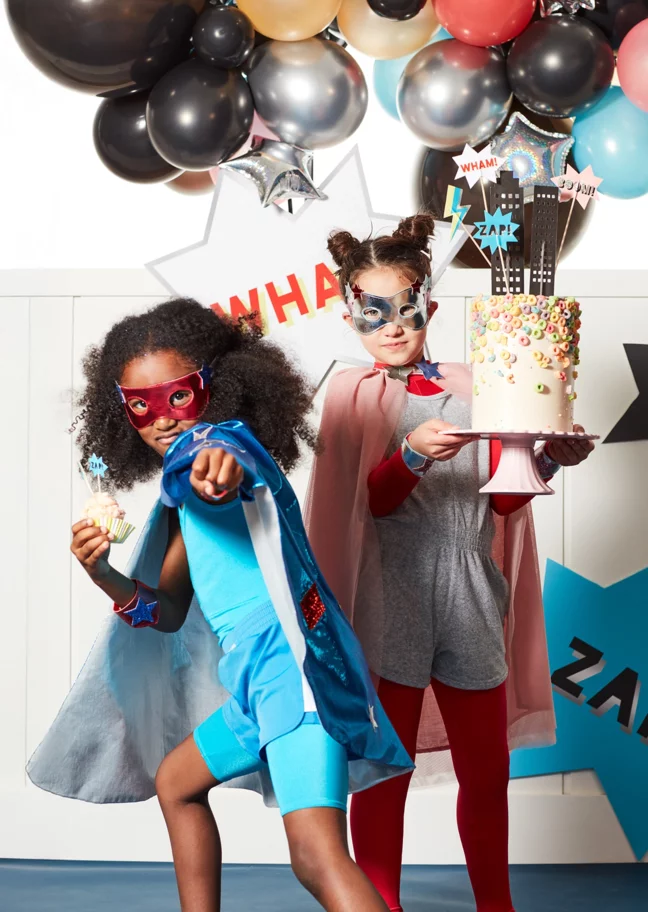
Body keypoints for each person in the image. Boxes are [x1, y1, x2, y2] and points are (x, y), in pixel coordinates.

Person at [27, 298, 414, 912]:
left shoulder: (224, 444)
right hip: (255, 679)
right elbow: (165, 612)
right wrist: (103, 574)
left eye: (179, 396)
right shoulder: (182, 501)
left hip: (292, 672)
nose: (162, 418)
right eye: (140, 405)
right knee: (176, 783)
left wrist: (216, 470)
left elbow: (222, 463)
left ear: (220, 388)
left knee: (316, 857)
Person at [305, 215, 595, 912]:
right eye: (372, 312)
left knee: (487, 774)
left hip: (472, 593)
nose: (391, 326)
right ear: (349, 318)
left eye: (404, 308)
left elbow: (503, 502)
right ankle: (381, 906)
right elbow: (364, 508)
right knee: (385, 774)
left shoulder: (477, 384)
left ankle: (497, 905)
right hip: (391, 598)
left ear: (429, 307)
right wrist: (409, 456)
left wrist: (550, 458)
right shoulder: (349, 395)